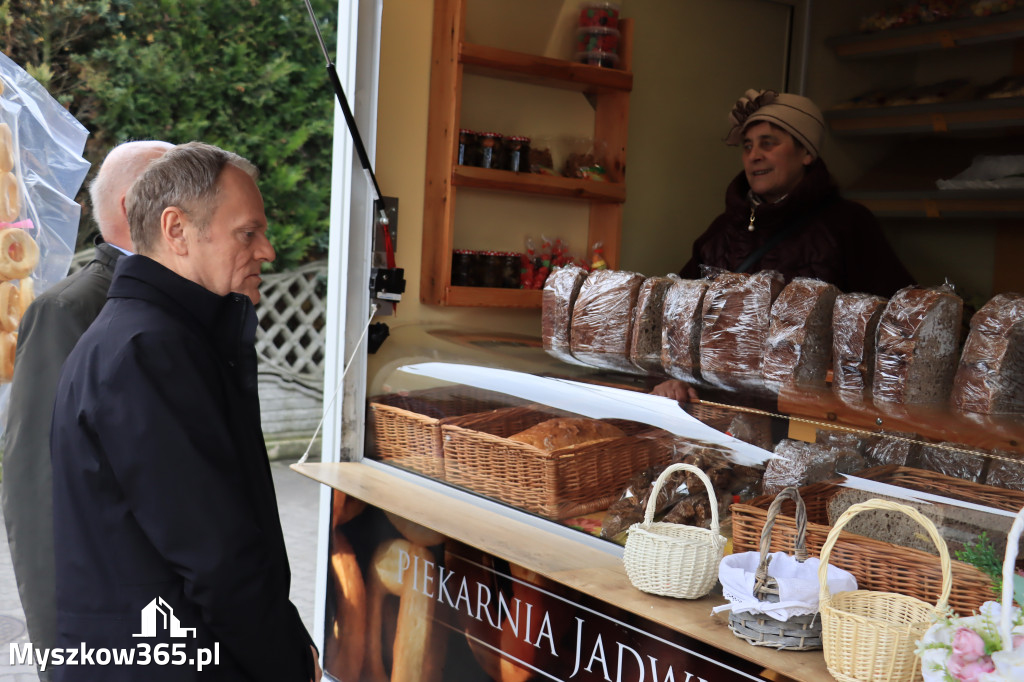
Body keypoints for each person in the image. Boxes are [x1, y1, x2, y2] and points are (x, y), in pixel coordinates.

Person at [49, 142, 320, 681]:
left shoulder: (148, 336)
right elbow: (217, 557)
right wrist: (286, 659)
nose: (267, 251)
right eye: (248, 232)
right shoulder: (150, 350)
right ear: (176, 230)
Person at [1, 140, 172, 676]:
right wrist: (64, 649)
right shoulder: (69, 312)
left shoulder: (186, 304)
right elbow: (36, 482)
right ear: (131, 209)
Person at [679, 88, 914, 298]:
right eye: (748, 146)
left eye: (768, 143)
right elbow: (681, 309)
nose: (754, 155)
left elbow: (895, 317)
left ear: (806, 153)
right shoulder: (722, 230)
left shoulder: (847, 224)